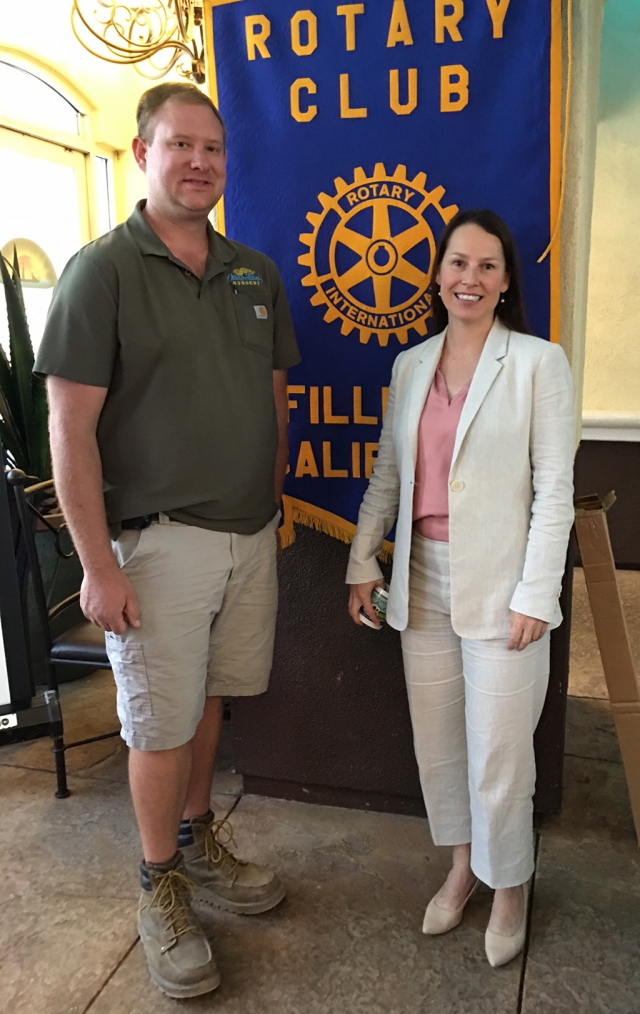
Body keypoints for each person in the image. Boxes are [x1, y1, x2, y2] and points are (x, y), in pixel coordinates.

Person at [35, 82, 300, 999]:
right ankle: (160, 888)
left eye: (214, 148)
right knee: (156, 723)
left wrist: (267, 509)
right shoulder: (101, 271)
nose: (199, 161)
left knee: (210, 700)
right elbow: (68, 428)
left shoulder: (252, 271)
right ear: (144, 154)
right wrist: (96, 565)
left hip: (247, 537)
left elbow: (273, 399)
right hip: (156, 545)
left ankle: (199, 842)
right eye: (179, 144)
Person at [346, 209, 574, 967]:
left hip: (505, 584)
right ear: (436, 274)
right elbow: (388, 471)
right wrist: (361, 559)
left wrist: (536, 594)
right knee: (440, 745)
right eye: (456, 263)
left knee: (500, 754)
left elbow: (554, 492)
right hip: (420, 580)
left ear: (507, 281)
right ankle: (461, 867)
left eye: (485, 266)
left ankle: (508, 886)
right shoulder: (411, 365)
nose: (467, 279)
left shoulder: (540, 363)